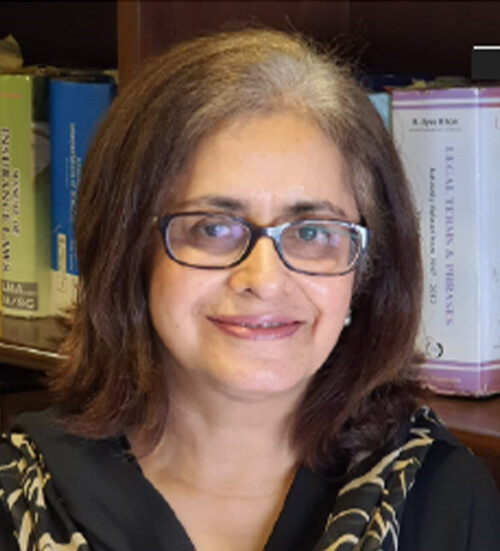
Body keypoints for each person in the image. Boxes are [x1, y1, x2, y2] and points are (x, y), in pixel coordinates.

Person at [0, 28, 498, 551]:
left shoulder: (443, 501)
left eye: (312, 233)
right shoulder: (22, 500)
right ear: (128, 251)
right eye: (212, 228)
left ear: (365, 272)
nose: (263, 280)